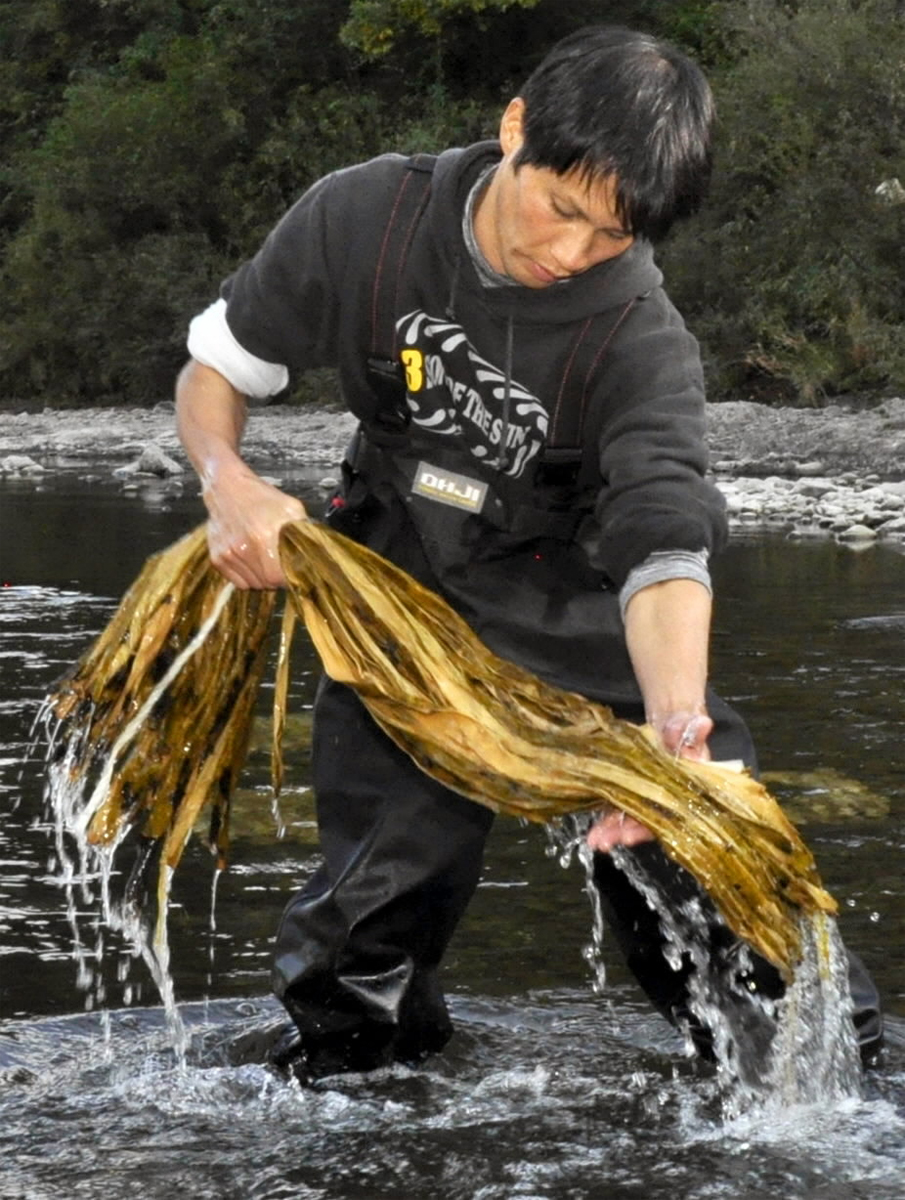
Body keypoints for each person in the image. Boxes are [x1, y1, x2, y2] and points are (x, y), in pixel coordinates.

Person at [175, 25, 882, 1081]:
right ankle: (366, 1112)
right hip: (401, 600)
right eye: (558, 208)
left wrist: (669, 737)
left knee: (730, 903)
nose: (565, 254)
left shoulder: (640, 338)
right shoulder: (363, 218)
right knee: (356, 961)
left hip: (586, 612)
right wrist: (228, 485)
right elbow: (216, 369)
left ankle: (830, 1096)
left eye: (606, 237)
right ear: (514, 127)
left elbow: (662, 545)